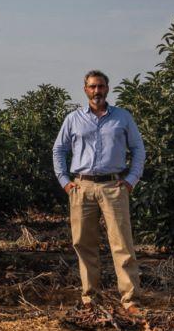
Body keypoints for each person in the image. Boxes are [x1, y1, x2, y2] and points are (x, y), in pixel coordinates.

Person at [52, 70, 145, 314]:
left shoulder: (122, 118)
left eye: (101, 86)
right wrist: (65, 181)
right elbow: (58, 150)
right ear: (85, 89)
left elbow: (138, 149)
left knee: (122, 243)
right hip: (82, 187)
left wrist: (131, 180)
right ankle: (90, 298)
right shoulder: (73, 119)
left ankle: (130, 300)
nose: (97, 91)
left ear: (107, 88)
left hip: (113, 186)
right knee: (84, 243)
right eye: (92, 87)